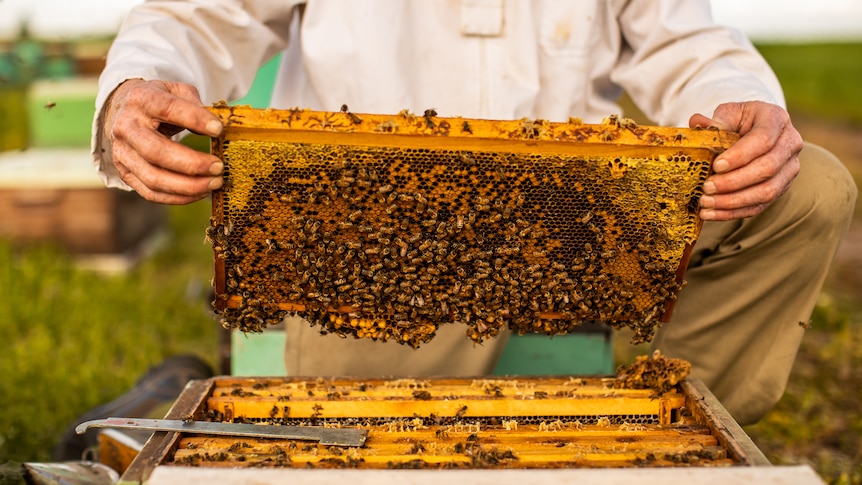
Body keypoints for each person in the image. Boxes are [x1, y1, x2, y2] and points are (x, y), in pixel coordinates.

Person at [91, 1, 856, 425]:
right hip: (378, 230)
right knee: (360, 440)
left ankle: (661, 425)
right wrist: (139, 85)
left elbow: (687, 36)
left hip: (572, 221)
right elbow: (196, 16)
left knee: (805, 188)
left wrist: (736, 101)